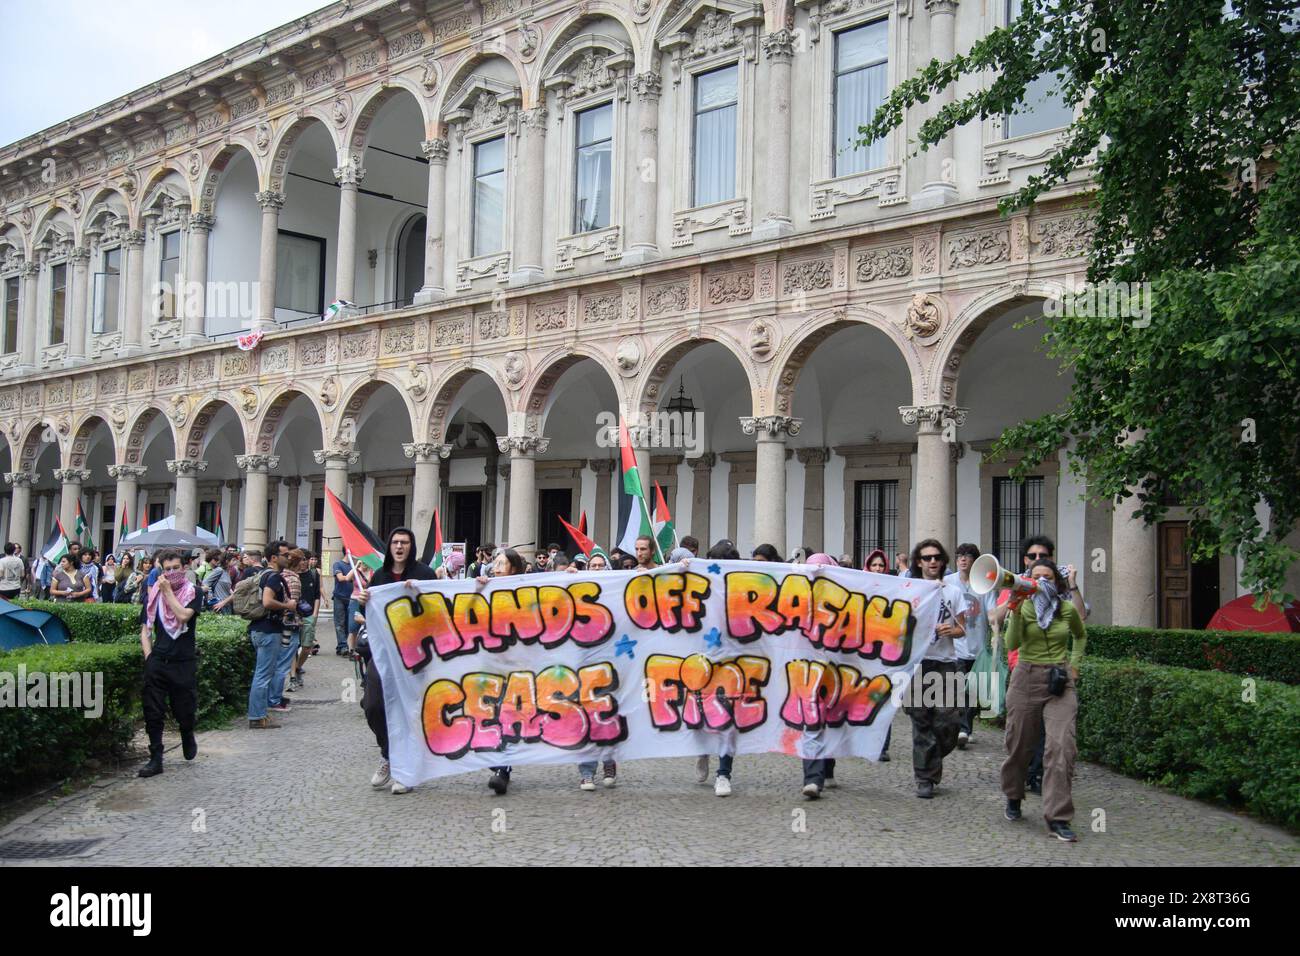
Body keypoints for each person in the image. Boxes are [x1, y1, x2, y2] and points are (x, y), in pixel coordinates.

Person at [988, 535, 1088, 792]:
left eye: (1043, 557)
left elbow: (1081, 622)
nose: (1038, 562)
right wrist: (1015, 604)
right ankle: (1016, 790)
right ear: (1025, 561)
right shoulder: (1019, 590)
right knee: (1021, 740)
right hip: (1023, 669)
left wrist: (1074, 665)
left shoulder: (1063, 602)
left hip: (1057, 674)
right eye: (1032, 558)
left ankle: (1047, 793)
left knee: (1058, 741)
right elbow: (1004, 633)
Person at [1000, 557, 1087, 842]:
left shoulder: (1065, 610)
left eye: (1047, 577)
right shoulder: (1023, 607)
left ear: (1056, 582)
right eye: (1035, 576)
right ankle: (1014, 795)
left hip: (1059, 682)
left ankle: (1058, 817)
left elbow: (1080, 634)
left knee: (1061, 747)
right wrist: (1013, 608)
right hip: (1025, 677)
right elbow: (1011, 644)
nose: (1041, 582)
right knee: (1019, 745)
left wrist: (1074, 664)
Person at [355, 528, 438, 794]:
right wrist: (363, 599)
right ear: (389, 546)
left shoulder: (425, 574)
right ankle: (388, 754)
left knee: (409, 713)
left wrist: (420, 596)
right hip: (384, 653)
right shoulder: (379, 575)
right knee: (373, 705)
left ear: (411, 547)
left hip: (414, 654)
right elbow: (365, 612)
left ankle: (408, 772)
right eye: (395, 542)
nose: (399, 546)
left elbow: (438, 611)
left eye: (405, 542)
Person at [903, 539, 966, 799]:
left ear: (942, 561)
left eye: (937, 557)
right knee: (921, 721)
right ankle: (925, 778)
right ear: (918, 561)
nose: (932, 562)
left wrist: (949, 630)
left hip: (945, 663)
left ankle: (930, 760)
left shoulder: (952, 592)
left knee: (948, 722)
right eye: (927, 557)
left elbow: (962, 630)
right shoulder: (909, 590)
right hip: (917, 663)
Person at [136, 549, 204, 778]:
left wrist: (167, 592)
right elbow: (145, 630)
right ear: (161, 571)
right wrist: (149, 658)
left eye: (176, 568)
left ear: (184, 568)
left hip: (183, 662)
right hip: (158, 662)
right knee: (152, 712)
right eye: (167, 569)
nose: (172, 572)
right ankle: (156, 757)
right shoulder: (153, 594)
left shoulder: (194, 592)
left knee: (184, 709)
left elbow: (183, 616)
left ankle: (187, 732)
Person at [473, 547, 528, 794]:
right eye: (495, 562)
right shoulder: (483, 588)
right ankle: (498, 764)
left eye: (502, 563)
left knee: (507, 715)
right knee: (487, 715)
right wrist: (477, 591)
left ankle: (502, 768)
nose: (496, 567)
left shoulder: (527, 589)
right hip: (488, 664)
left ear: (514, 568)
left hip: (515, 665)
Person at [798, 552, 847, 797]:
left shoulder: (844, 600)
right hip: (808, 672)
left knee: (833, 721)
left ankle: (828, 766)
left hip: (837, 671)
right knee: (812, 722)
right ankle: (813, 778)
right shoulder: (797, 599)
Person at [697, 538, 742, 795]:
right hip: (702, 661)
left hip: (734, 663)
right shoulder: (700, 584)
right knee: (702, 715)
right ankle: (702, 750)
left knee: (728, 720)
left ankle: (724, 773)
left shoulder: (743, 588)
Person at [945, 543, 996, 749]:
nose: (963, 559)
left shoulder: (984, 584)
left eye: (967, 556)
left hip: (978, 647)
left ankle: (966, 728)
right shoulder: (947, 582)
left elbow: (992, 612)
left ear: (975, 560)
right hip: (955, 646)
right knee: (959, 688)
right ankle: (962, 729)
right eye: (959, 556)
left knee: (972, 691)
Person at [577, 550, 617, 790]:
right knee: (586, 718)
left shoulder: (615, 592)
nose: (597, 569)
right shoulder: (577, 592)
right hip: (584, 665)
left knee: (609, 716)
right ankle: (587, 771)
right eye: (593, 565)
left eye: (601, 565)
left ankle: (609, 762)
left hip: (612, 664)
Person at [247, 540, 294, 729]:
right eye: (285, 555)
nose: (289, 558)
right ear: (274, 558)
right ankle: (257, 717)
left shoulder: (264, 574)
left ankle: (259, 713)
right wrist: (287, 606)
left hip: (260, 629)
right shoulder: (273, 577)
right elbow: (267, 602)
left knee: (262, 674)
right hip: (268, 630)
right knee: (263, 675)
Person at [267, 549, 306, 713]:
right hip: (290, 624)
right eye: (303, 559)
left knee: (279, 662)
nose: (306, 562)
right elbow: (292, 603)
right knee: (283, 663)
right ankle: (274, 699)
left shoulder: (283, 576)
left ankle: (274, 697)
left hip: (281, 623)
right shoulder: (294, 579)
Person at [289, 550, 321, 690]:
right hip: (293, 616)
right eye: (300, 560)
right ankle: (292, 677)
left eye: (305, 559)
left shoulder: (313, 575)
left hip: (308, 615)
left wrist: (314, 615)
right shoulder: (291, 576)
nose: (302, 562)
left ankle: (297, 668)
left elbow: (316, 596)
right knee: (293, 647)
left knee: (307, 647)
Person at [331, 552, 354, 654]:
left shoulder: (354, 566)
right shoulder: (338, 564)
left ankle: (343, 645)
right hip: (339, 597)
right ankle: (343, 645)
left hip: (351, 598)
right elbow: (340, 578)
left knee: (349, 623)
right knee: (340, 623)